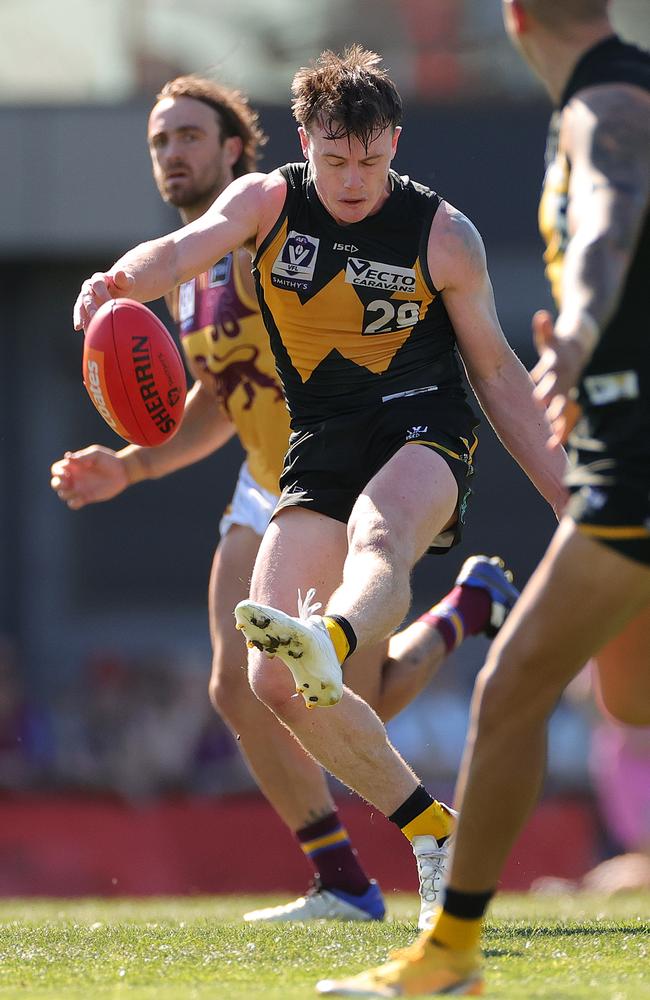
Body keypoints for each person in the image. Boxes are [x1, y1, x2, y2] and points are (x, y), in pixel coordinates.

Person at [72, 47, 566, 932]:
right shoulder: (266, 202)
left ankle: (333, 633)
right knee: (267, 685)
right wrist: (117, 284)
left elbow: (497, 377)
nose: (353, 181)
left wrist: (572, 504)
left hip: (423, 427)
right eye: (335, 160)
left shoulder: (441, 233)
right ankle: (433, 832)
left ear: (395, 144)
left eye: (371, 161)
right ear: (305, 143)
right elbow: (180, 251)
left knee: (380, 539)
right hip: (321, 445)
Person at [317, 3, 650, 995]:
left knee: (508, 694)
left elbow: (606, 211)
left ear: (512, 17)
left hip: (633, 460)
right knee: (627, 697)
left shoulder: (604, 102)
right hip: (612, 458)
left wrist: (583, 324)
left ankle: (448, 953)